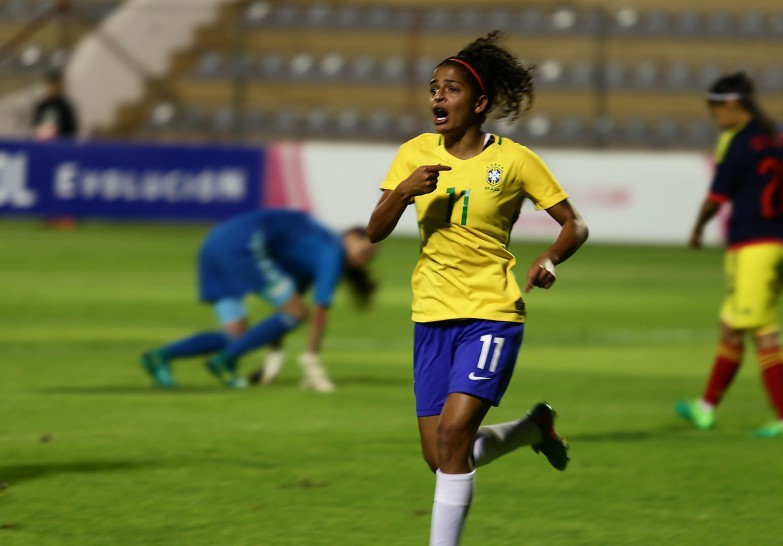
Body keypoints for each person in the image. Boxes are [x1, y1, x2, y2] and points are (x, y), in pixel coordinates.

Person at [366, 31, 588, 545]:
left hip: (491, 313)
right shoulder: (414, 154)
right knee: (440, 455)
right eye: (433, 88)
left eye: (450, 89)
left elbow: (574, 224)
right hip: (431, 314)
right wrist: (402, 192)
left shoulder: (514, 161)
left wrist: (551, 258)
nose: (438, 97)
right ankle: (533, 430)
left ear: (480, 102)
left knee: (451, 438)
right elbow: (374, 231)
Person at [676, 72, 783, 440]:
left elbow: (716, 199)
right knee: (731, 326)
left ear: (731, 104)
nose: (716, 119)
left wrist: (697, 229)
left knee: (764, 333)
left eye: (716, 112)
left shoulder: (737, 142)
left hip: (753, 249)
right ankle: (706, 408)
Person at [140, 209, 377, 391]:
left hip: (213, 243)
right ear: (349, 237)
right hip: (242, 246)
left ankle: (159, 357)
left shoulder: (314, 246)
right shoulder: (331, 251)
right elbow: (318, 309)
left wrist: (272, 362)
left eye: (370, 258)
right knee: (296, 312)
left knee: (235, 335)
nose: (364, 260)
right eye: (364, 252)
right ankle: (225, 362)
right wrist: (312, 360)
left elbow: (283, 315)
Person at [32, 70, 78, 141]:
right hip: (43, 144)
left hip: (61, 146)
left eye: (56, 84)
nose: (53, 88)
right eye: (51, 84)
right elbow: (36, 125)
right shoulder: (42, 106)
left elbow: (72, 130)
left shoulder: (66, 106)